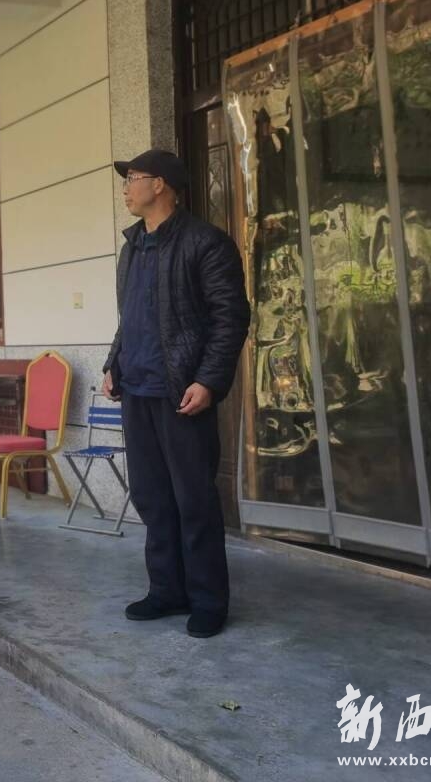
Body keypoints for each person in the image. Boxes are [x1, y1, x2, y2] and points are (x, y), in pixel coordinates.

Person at [102, 148, 249, 639]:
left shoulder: (205, 243)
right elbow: (130, 317)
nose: (126, 187)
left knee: (193, 500)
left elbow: (230, 319)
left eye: (132, 178)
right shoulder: (132, 247)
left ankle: (208, 600)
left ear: (159, 184)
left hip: (182, 391)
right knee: (151, 497)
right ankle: (166, 590)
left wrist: (208, 380)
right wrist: (113, 363)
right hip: (137, 390)